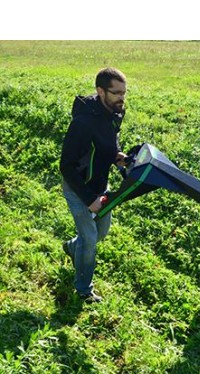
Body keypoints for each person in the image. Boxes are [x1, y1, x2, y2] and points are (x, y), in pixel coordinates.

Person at [60, 67, 128, 302]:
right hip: (78, 188)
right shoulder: (83, 123)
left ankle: (72, 247)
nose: (122, 98)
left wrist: (118, 156)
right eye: (116, 93)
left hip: (100, 185)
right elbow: (66, 166)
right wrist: (89, 199)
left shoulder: (116, 111)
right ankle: (83, 289)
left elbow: (110, 141)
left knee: (100, 233)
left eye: (124, 92)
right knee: (89, 239)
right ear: (101, 91)